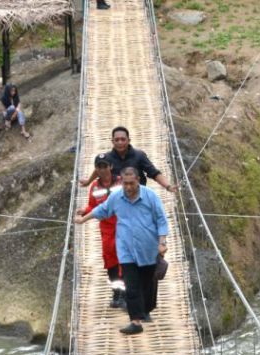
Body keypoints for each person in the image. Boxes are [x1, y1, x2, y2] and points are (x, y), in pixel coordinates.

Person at [74, 167, 169, 335]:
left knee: (147, 283)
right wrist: (83, 219)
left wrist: (162, 242)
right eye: (125, 183)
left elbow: (161, 219)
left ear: (138, 180)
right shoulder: (117, 197)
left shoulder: (150, 196)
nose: (128, 187)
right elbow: (102, 210)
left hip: (148, 248)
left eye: (132, 183)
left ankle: (145, 310)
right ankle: (135, 322)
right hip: (126, 249)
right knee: (131, 285)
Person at [76, 154, 125, 309]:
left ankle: (124, 294)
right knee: (110, 261)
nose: (103, 169)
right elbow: (92, 206)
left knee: (123, 259)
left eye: (105, 166)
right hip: (107, 229)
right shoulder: (95, 187)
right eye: (99, 167)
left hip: (124, 226)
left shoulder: (121, 181)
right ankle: (116, 292)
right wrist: (84, 210)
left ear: (110, 166)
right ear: (96, 169)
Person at [79, 126, 177, 192]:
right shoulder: (107, 158)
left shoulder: (139, 155)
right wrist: (88, 182)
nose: (120, 142)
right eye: (117, 140)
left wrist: (168, 186)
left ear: (129, 140)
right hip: (116, 200)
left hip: (138, 198)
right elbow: (99, 170)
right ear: (112, 141)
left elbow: (154, 173)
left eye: (123, 139)